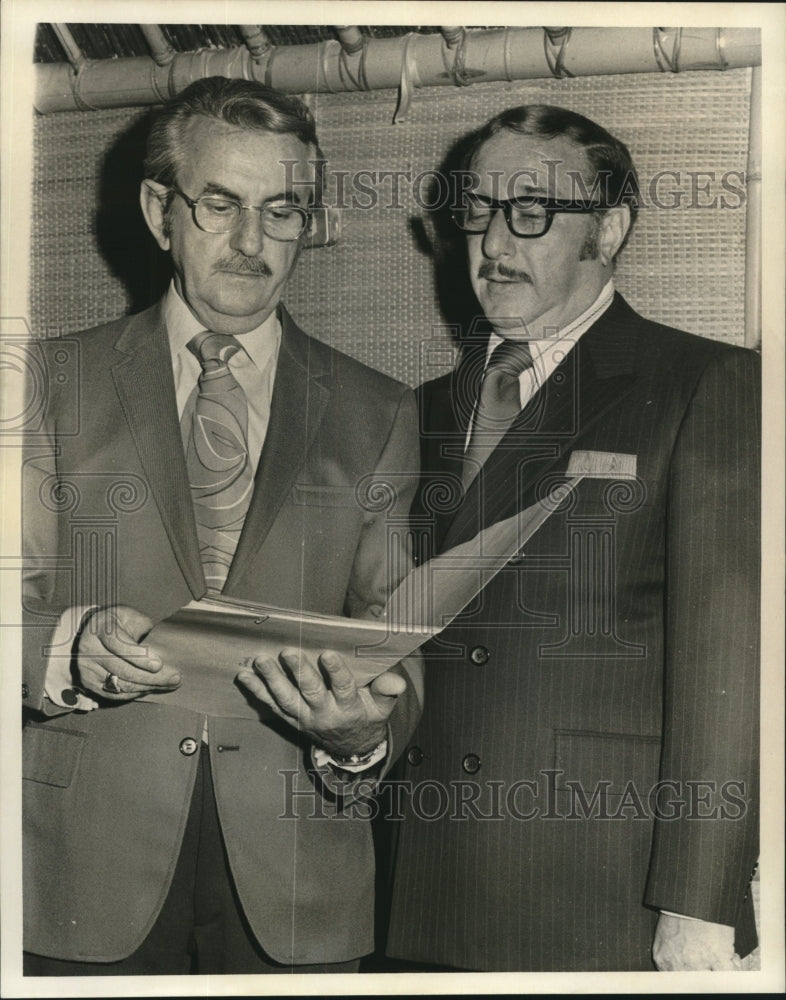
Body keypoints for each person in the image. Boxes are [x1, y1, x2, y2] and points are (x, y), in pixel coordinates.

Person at [21, 76, 421, 975]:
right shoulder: (46, 383)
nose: (251, 242)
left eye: (282, 210)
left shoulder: (378, 411)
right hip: (79, 868)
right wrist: (65, 650)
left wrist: (364, 740)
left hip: (296, 871)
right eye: (220, 205)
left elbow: (397, 634)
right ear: (160, 211)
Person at [383, 105, 760, 972]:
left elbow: (729, 665)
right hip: (417, 889)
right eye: (476, 211)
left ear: (610, 228)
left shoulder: (706, 384)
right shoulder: (418, 411)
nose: (493, 243)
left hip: (598, 888)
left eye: (533, 211)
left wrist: (698, 903)